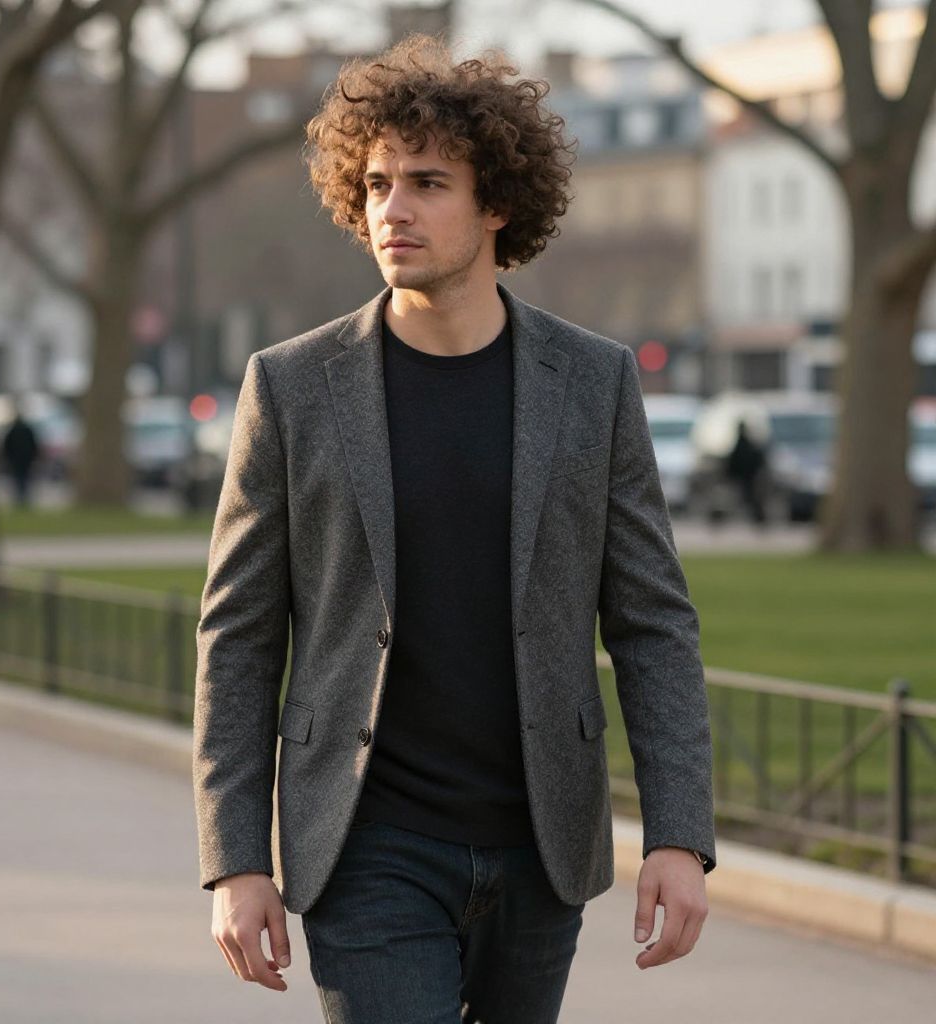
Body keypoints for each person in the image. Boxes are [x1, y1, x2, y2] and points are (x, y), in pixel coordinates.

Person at [192, 35, 716, 1024]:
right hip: (366, 844)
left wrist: (678, 835)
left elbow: (651, 619)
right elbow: (238, 633)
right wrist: (235, 860)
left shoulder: (592, 382)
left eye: (428, 182)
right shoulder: (291, 388)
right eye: (378, 182)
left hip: (539, 845)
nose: (394, 208)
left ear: (497, 202)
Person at [725, 419, 768, 525]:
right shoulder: (743, 443)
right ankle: (759, 518)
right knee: (747, 498)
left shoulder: (745, 443)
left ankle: (760, 518)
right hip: (744, 476)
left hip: (747, 476)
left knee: (750, 498)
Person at [1, 405, 40, 507]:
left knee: (18, 478)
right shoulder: (27, 430)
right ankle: (23, 497)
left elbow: (6, 445)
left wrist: (7, 457)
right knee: (25, 478)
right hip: (26, 458)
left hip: (16, 459)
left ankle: (20, 498)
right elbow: (34, 444)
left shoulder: (12, 431)